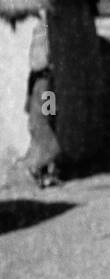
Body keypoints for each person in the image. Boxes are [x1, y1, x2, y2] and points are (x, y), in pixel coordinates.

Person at [22, 27, 61, 189]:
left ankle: (44, 178)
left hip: (34, 120)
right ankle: (36, 169)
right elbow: (49, 107)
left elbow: (27, 105)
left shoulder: (33, 80)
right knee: (52, 148)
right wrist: (53, 113)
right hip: (42, 122)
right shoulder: (46, 83)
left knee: (41, 148)